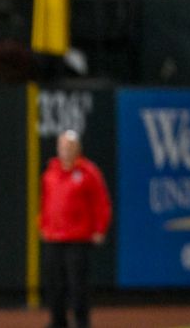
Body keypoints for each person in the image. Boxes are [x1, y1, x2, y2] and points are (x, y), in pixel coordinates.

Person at [39, 129, 112, 328]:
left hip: (78, 238)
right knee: (54, 285)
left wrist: (100, 228)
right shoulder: (51, 172)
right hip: (53, 238)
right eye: (62, 146)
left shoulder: (89, 172)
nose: (65, 150)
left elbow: (101, 202)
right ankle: (58, 322)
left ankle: (81, 323)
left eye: (70, 146)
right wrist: (43, 225)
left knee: (77, 285)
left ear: (78, 148)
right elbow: (46, 202)